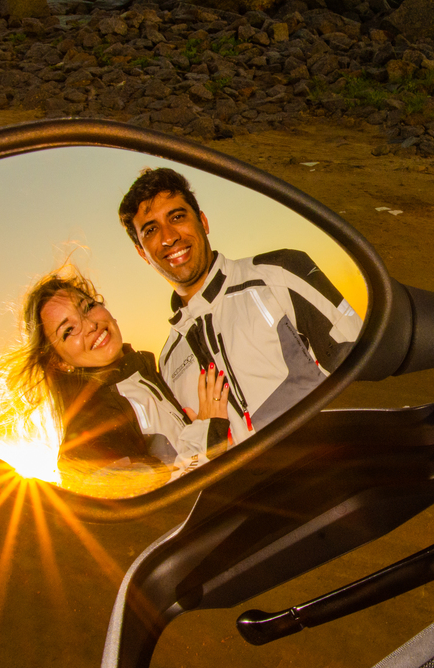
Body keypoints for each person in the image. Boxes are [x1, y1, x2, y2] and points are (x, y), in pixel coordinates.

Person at [117, 167, 363, 458]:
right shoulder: (169, 361)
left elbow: (362, 365)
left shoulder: (278, 273)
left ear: (203, 221)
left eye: (177, 217)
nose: (169, 237)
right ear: (142, 253)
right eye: (151, 230)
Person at [9, 268, 230, 482]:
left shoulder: (149, 374)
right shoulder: (91, 430)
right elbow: (158, 503)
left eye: (87, 307)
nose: (90, 325)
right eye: (68, 330)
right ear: (58, 362)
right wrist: (207, 437)